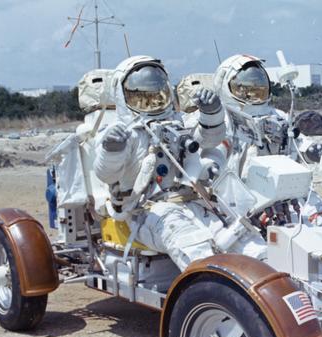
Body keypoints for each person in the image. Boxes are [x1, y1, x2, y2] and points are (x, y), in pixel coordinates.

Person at [93, 55, 265, 271]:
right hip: (146, 211)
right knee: (194, 245)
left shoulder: (180, 122)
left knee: (245, 236)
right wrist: (112, 150)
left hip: (195, 201)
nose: (153, 99)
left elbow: (209, 139)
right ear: (123, 95)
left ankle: (270, 283)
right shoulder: (123, 134)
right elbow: (106, 175)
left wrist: (211, 113)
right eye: (144, 96)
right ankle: (212, 292)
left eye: (158, 93)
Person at [212, 54, 322, 228]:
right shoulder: (221, 122)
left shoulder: (277, 116)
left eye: (258, 87)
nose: (254, 93)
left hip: (283, 188)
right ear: (227, 87)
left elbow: (301, 145)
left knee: (319, 212)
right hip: (242, 195)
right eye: (246, 88)